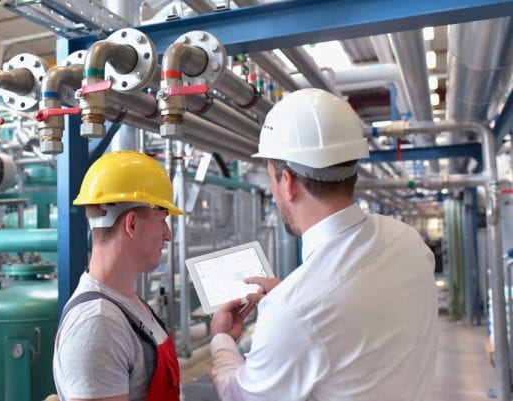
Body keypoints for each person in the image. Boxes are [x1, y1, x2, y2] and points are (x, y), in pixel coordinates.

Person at [209, 88, 438, 401]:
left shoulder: (293, 312)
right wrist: (289, 300)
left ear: (286, 182)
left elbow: (242, 396)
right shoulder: (408, 240)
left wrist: (222, 339)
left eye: (272, 181)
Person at [53, 150, 183, 401]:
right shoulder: (99, 323)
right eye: (162, 221)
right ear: (131, 224)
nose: (168, 235)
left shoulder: (125, 300)